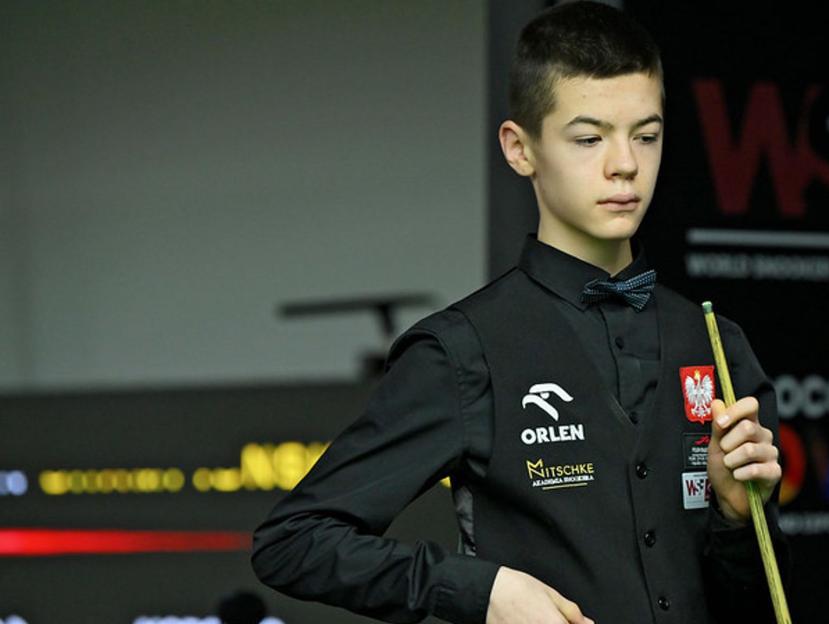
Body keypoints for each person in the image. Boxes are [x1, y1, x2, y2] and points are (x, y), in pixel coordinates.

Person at [251, 2, 790, 623]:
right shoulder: (462, 351)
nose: (626, 164)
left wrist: (733, 515)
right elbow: (292, 542)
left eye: (646, 134)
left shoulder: (717, 345)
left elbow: (754, 606)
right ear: (520, 149)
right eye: (589, 138)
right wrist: (481, 593)